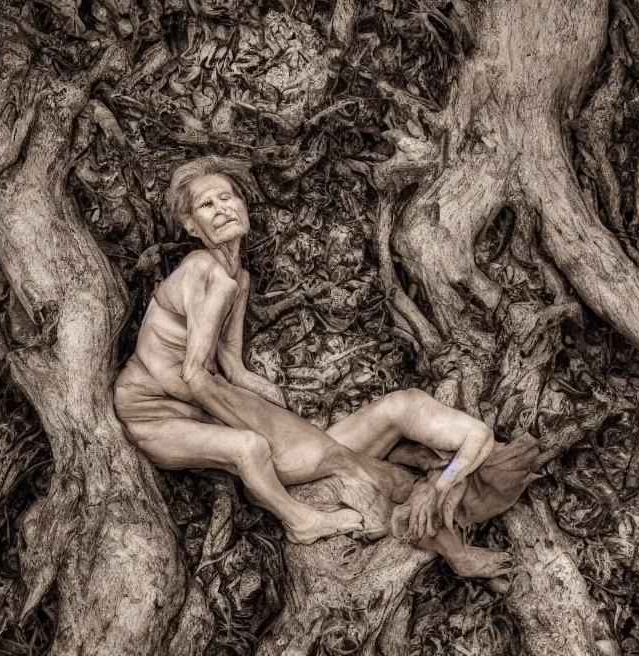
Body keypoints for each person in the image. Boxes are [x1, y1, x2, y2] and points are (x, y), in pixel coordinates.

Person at [113, 157, 537, 576]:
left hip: (196, 399)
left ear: (243, 205)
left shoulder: (235, 277)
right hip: (151, 413)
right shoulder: (207, 273)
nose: (222, 207)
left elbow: (231, 363)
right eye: (207, 205)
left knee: (319, 446)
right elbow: (196, 374)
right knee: (252, 447)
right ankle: (302, 522)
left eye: (228, 197)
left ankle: (436, 508)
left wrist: (283, 406)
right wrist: (276, 431)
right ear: (190, 226)